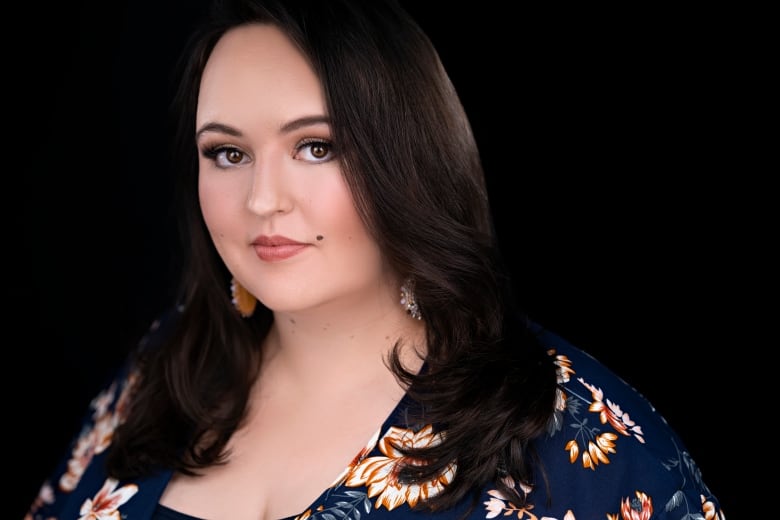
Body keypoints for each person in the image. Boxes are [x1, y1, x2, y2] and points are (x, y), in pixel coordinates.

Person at [24, 0, 726, 519]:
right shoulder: (168, 370)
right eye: (228, 153)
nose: (263, 200)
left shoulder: (564, 428)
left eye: (316, 146)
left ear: (410, 162)